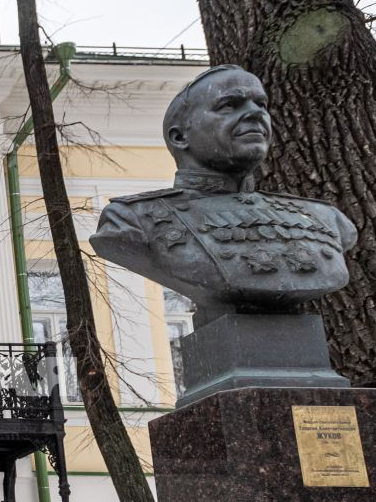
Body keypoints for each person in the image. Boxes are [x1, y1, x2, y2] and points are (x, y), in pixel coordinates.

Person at [90, 64, 356, 325]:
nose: (255, 113)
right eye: (229, 105)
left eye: (260, 104)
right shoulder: (132, 221)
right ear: (180, 137)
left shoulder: (325, 219)